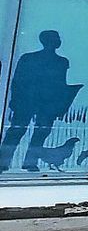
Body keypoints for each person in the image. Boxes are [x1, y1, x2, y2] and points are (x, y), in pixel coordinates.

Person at [0, 30, 73, 172]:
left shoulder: (61, 62)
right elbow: (17, 81)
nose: (58, 40)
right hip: (28, 101)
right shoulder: (28, 58)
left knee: (39, 133)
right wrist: (15, 100)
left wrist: (60, 103)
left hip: (47, 104)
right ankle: (3, 162)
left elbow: (60, 84)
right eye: (56, 38)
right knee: (17, 131)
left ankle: (29, 162)